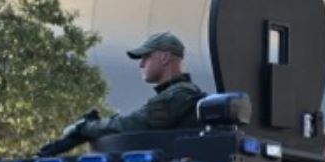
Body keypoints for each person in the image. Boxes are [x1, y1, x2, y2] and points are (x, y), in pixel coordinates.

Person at [38, 31, 206, 154]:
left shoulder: (178, 95)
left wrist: (85, 128)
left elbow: (130, 125)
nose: (141, 65)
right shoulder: (181, 94)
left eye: (146, 57)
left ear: (164, 58)